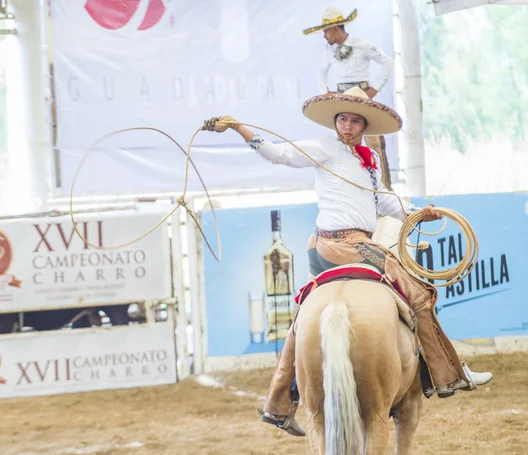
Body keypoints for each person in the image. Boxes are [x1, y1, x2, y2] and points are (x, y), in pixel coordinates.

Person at [204, 87, 493, 437]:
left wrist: (417, 214)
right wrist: (239, 128)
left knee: (305, 315)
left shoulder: (366, 159)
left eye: (356, 120)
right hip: (345, 244)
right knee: (418, 295)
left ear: (364, 125)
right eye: (343, 118)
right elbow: (278, 154)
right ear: (336, 121)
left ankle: (278, 401)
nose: (349, 124)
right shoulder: (324, 148)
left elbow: (384, 203)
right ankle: (447, 374)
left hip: (331, 244)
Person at [304, 7, 395, 188]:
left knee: (374, 141)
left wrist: (374, 89)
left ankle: (383, 187)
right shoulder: (329, 50)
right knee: (344, 138)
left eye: (326, 31)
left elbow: (387, 63)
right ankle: (351, 182)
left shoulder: (361, 44)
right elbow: (321, 72)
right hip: (342, 97)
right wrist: (326, 92)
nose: (324, 36)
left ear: (336, 28)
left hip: (362, 95)